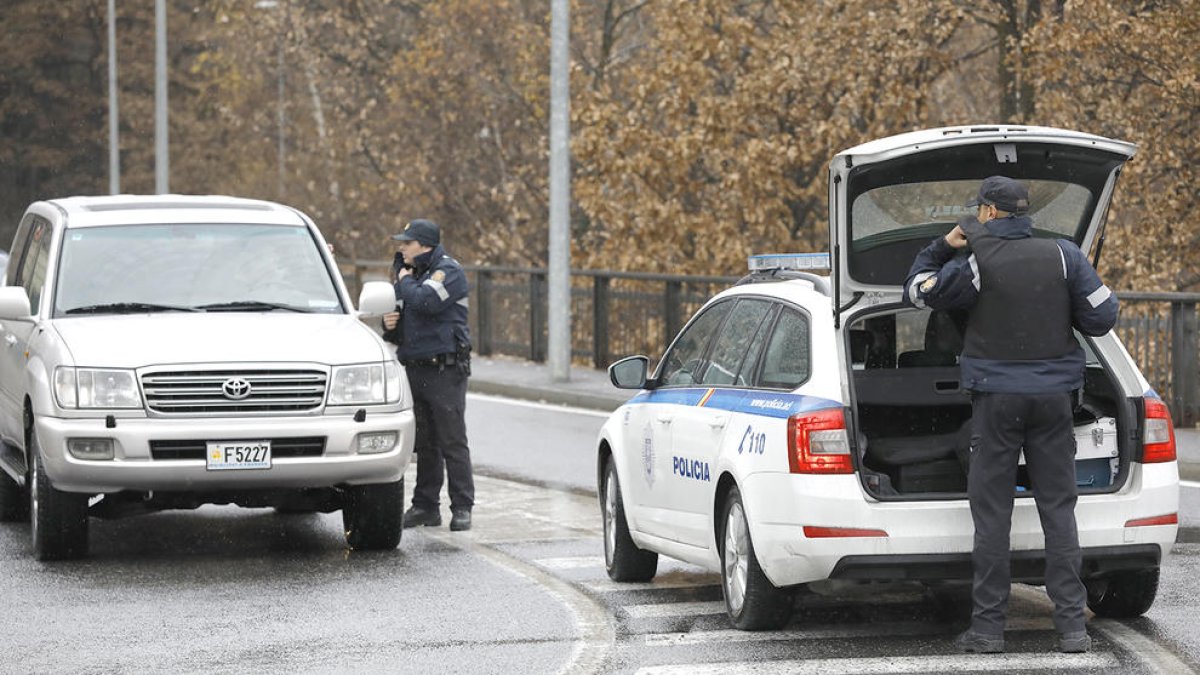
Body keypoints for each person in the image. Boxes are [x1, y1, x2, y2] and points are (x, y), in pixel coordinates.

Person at [904, 176, 1118, 655]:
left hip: (997, 403)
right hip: (1053, 402)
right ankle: (1072, 631)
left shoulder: (975, 263)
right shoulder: (1065, 255)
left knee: (993, 517)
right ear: (1025, 214)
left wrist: (942, 246)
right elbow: (1104, 318)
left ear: (986, 213)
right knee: (1059, 513)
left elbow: (917, 292)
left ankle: (987, 631)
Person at [382, 218, 475, 532]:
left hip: (445, 369)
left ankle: (462, 507)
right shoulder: (413, 275)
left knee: (451, 440)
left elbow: (425, 301)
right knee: (424, 443)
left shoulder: (448, 272)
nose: (402, 248)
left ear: (424, 245)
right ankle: (425, 506)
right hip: (416, 367)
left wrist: (404, 280)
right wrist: (390, 327)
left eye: (407, 243)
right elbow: (407, 321)